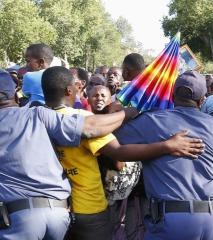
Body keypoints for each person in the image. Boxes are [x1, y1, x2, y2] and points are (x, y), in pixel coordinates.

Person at [41, 66, 203, 240]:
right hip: (88, 208)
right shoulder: (80, 119)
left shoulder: (39, 117)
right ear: (69, 90)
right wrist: (168, 145)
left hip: (56, 208)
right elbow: (119, 153)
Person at [0, 69, 142, 240]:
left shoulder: (41, 113)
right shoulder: (40, 116)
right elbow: (110, 148)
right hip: (73, 212)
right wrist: (129, 113)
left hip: (23, 216)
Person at [115, 70, 213, 240]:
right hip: (210, 219)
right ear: (202, 100)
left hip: (170, 221)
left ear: (172, 96)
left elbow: (114, 139)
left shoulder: (151, 120)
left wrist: (123, 113)